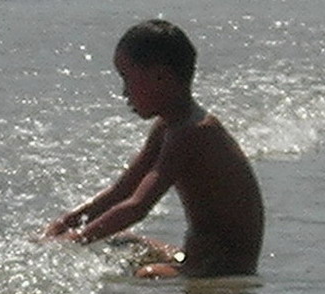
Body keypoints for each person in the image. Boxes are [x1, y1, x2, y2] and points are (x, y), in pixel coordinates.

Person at [43, 19, 264, 278]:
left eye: (127, 79)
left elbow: (138, 206)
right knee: (121, 241)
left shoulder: (192, 133)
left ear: (161, 77)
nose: (124, 92)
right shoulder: (168, 126)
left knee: (147, 275)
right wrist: (63, 224)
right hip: (192, 256)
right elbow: (121, 190)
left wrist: (76, 239)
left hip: (222, 269)